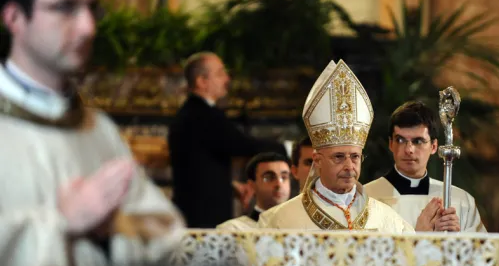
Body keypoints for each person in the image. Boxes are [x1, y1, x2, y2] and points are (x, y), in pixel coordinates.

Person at [0, 0, 184, 266]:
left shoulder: (98, 130)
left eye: (91, 9)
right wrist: (61, 223)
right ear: (15, 17)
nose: (88, 27)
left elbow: (166, 234)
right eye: (66, 8)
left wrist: (113, 229)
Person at [258, 60, 453, 232]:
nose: (349, 166)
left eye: (355, 157)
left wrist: (426, 240)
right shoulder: (282, 221)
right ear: (318, 161)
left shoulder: (388, 220)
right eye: (339, 157)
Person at [168, 51, 285, 228]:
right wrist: (285, 148)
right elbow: (242, 144)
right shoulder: (203, 116)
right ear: (201, 81)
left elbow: (198, 166)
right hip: (203, 217)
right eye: (220, 73)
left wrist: (229, 185)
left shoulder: (191, 113)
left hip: (194, 212)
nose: (226, 79)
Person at [364, 101, 485, 232]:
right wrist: (419, 237)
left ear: (434, 146)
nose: (409, 149)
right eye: (400, 140)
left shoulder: (460, 201)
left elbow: (480, 250)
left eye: (418, 141)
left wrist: (456, 240)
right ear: (391, 144)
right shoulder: (367, 198)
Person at [217, 152, 291, 230]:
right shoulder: (233, 229)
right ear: (252, 185)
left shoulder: (302, 225)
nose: (279, 184)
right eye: (268, 178)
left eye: (284, 177)